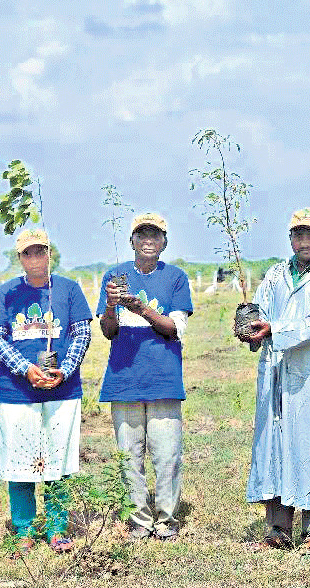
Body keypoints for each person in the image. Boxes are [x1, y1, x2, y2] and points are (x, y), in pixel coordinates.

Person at [240, 208, 310, 555]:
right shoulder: (276, 274)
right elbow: (260, 312)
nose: (305, 241)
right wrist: (250, 328)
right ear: (290, 239)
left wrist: (275, 329)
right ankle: (277, 527)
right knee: (273, 443)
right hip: (275, 370)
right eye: (298, 235)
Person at [0, 230, 93, 554]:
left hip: (62, 391)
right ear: (20, 258)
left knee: (58, 461)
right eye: (27, 253)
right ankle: (24, 529)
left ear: (50, 254)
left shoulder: (69, 290)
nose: (35, 259)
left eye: (40, 252)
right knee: (19, 463)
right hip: (17, 393)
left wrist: (65, 370)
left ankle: (58, 528)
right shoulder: (6, 293)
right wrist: (25, 368)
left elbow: (82, 334)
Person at [98, 213, 193, 540]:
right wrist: (111, 307)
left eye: (155, 235)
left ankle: (166, 519)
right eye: (142, 234)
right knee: (130, 456)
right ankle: (140, 520)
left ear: (164, 242)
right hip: (124, 379)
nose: (148, 240)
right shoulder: (115, 275)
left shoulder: (176, 278)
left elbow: (174, 329)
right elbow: (109, 331)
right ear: (133, 241)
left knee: (166, 456)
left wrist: (142, 309)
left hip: (164, 379)